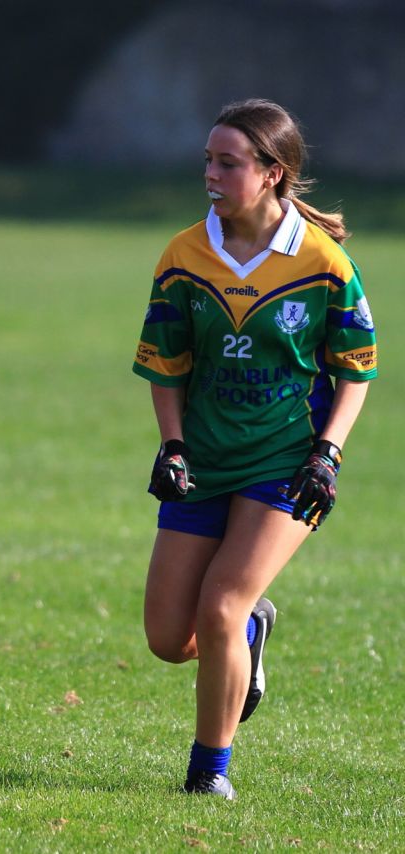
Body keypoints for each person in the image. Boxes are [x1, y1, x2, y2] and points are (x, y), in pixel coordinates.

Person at [133, 99, 376, 799]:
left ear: (273, 173)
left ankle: (209, 775)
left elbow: (356, 370)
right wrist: (172, 446)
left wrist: (327, 454)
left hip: (288, 464)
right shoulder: (185, 254)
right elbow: (166, 366)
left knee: (220, 607)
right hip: (204, 459)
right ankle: (251, 634)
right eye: (208, 160)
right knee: (168, 639)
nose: (211, 173)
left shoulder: (323, 262)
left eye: (228, 162)